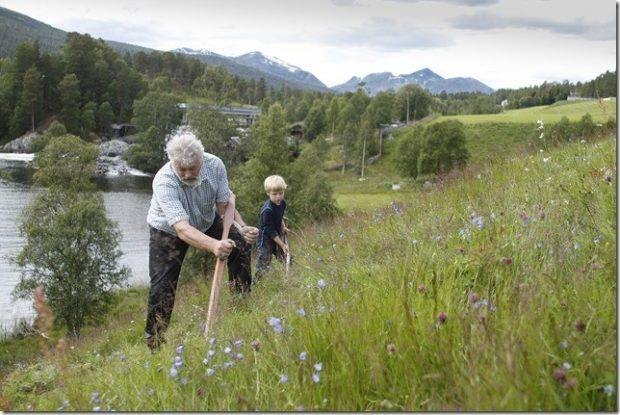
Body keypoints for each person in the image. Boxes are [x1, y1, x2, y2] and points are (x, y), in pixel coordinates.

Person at [144, 131, 258, 351]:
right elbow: (183, 229)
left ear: (201, 159)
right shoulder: (164, 180)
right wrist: (215, 245)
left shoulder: (215, 166)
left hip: (206, 219)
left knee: (240, 246)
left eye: (192, 169)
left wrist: (242, 228)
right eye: (181, 169)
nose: (187, 174)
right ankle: (155, 344)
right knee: (162, 287)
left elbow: (225, 207)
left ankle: (242, 305)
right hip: (169, 230)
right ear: (173, 162)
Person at [255, 175, 290, 279]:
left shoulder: (282, 203)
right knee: (265, 258)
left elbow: (280, 216)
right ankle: (258, 281)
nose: (278, 197)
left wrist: (283, 226)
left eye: (281, 193)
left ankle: (289, 275)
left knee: (284, 255)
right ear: (268, 193)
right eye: (274, 194)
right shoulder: (267, 210)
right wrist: (282, 244)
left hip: (276, 232)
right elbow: (270, 231)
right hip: (265, 237)